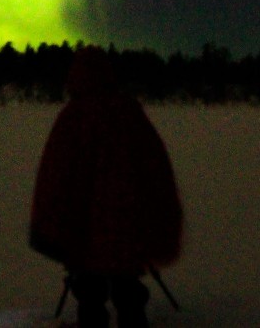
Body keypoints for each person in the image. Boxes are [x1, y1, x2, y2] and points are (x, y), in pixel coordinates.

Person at [29, 45, 183, 328]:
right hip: (127, 221)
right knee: (127, 284)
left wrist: (48, 226)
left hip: (82, 224)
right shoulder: (129, 113)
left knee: (89, 290)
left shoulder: (72, 118)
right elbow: (154, 166)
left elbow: (54, 175)